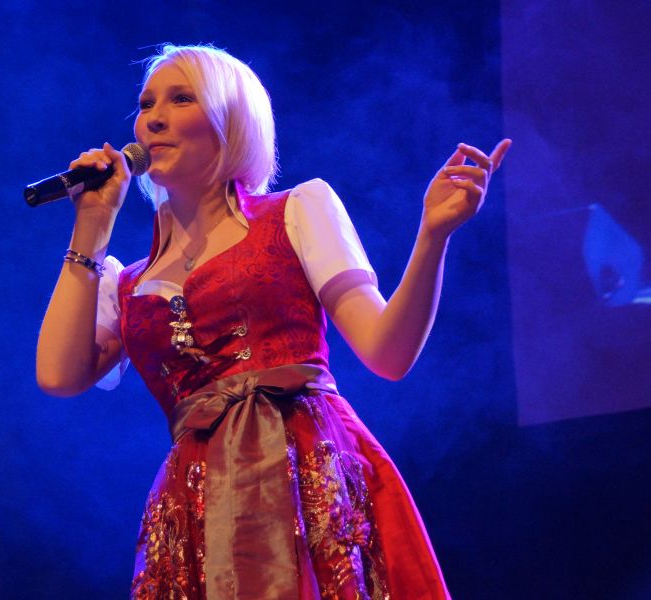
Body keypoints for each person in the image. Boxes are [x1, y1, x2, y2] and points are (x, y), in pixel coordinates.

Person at [36, 43, 509, 600]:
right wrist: (91, 228)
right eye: (146, 105)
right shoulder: (126, 283)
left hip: (308, 483)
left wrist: (432, 236)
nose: (153, 118)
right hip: (200, 508)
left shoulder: (296, 211)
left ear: (232, 119)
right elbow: (58, 375)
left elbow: (389, 353)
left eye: (181, 99)